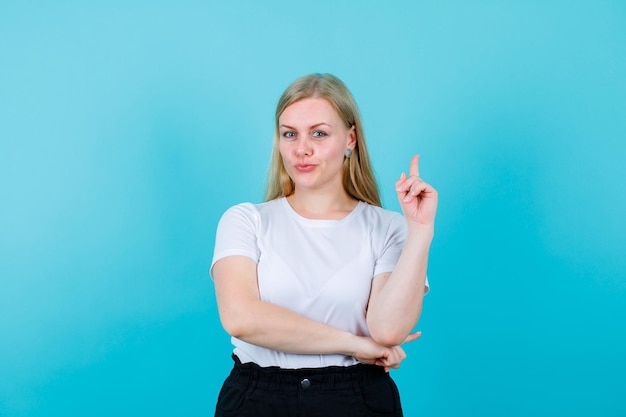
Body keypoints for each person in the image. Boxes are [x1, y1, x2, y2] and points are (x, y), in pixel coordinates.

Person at [210, 73, 438, 417]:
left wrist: (420, 229)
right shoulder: (245, 221)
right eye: (290, 134)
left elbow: (388, 329)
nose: (302, 148)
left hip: (357, 398)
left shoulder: (388, 227)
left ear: (350, 139)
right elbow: (241, 318)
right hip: (259, 400)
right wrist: (356, 344)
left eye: (319, 133)